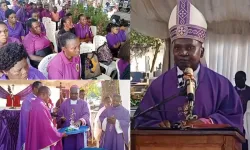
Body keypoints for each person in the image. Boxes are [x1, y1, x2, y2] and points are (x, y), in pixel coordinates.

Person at [133, 0, 243, 131]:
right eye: (177, 48)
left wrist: (208, 122)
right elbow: (140, 121)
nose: (183, 53)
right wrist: (157, 126)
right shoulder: (158, 86)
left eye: (190, 47)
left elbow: (234, 118)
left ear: (201, 51)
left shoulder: (221, 85)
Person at [57, 85, 91, 150]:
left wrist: (80, 121)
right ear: (69, 93)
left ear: (78, 93)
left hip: (79, 132)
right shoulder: (64, 103)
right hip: (67, 132)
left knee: (79, 146)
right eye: (72, 93)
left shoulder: (83, 103)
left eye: (76, 94)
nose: (74, 95)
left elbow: (86, 114)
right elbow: (59, 116)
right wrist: (61, 120)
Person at [16, 81, 43, 150]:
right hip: (29, 128)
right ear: (35, 89)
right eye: (40, 88)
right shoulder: (27, 100)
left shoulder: (39, 99)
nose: (42, 91)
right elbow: (26, 116)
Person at [235, 71, 250, 150]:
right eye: (235, 79)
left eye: (239, 79)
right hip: (236, 122)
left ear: (244, 79)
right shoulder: (232, 91)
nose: (236, 81)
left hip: (247, 123)